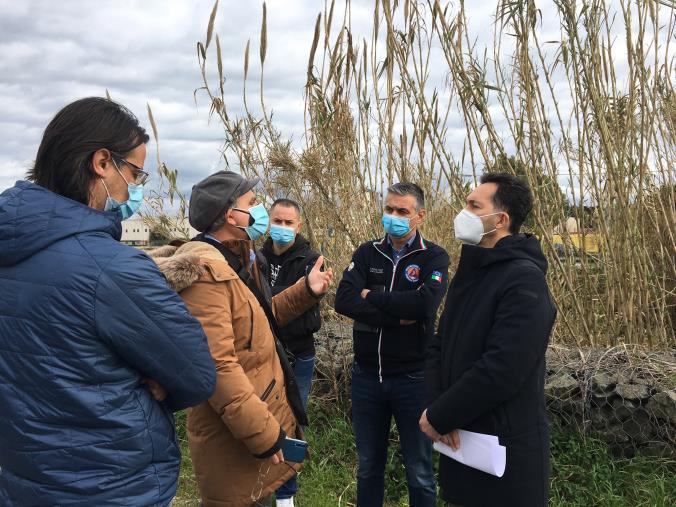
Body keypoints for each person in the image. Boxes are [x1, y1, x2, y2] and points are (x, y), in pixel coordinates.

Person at [0, 97, 217, 506]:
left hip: (22, 478)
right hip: (110, 483)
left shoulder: (9, 251)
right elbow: (196, 373)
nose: (134, 187)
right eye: (134, 172)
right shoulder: (113, 269)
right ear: (102, 163)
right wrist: (159, 384)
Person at [150, 171, 333, 507]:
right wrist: (265, 434)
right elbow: (219, 366)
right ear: (228, 215)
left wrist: (306, 291)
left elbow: (257, 321)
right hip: (236, 432)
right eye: (252, 203)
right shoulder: (206, 274)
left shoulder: (240, 257)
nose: (260, 209)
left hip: (253, 415)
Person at [420, 173, 557, 507]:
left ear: (501, 219)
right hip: (460, 442)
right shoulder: (470, 272)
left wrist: (441, 415)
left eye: (473, 205)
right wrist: (440, 410)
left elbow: (503, 368)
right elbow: (441, 344)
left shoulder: (524, 281)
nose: (463, 212)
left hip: (504, 456)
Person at [334, 182, 449, 507]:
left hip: (413, 380)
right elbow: (343, 300)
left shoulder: (434, 257)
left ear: (420, 215)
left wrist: (372, 296)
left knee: (420, 471)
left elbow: (424, 306)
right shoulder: (367, 252)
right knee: (368, 467)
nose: (394, 216)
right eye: (389, 209)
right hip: (367, 378)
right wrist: (396, 315)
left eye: (402, 211)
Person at [259, 198, 321, 507]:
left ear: (299, 226)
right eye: (277, 221)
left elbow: (305, 314)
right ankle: (258, 485)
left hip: (297, 357)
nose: (282, 227)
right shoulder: (255, 258)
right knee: (260, 420)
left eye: (288, 222)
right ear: (268, 222)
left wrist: (274, 309)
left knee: (291, 423)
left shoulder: (311, 260)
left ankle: (285, 496)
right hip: (263, 356)